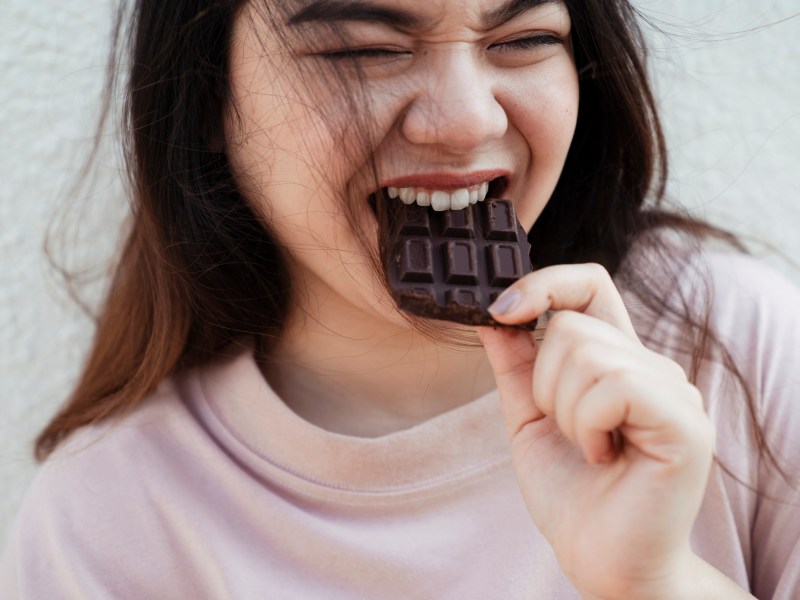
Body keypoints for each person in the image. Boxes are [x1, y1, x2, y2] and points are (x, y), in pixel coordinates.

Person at [2, 0, 799, 598]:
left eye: (524, 40)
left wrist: (658, 580)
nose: (464, 120)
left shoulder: (739, 350)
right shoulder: (108, 521)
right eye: (363, 48)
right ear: (208, 98)